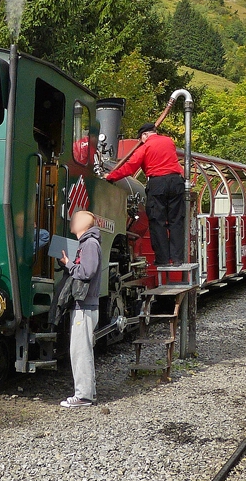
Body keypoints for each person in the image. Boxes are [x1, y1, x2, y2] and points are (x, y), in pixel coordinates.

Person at [105, 123, 186, 267]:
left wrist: (110, 176)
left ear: (144, 135)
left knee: (157, 221)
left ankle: (163, 259)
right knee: (176, 221)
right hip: (176, 182)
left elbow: (130, 168)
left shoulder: (144, 147)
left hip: (157, 184)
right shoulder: (169, 141)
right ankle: (178, 259)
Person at [59, 209, 102, 407]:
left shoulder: (90, 244)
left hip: (84, 305)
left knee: (80, 351)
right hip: (84, 305)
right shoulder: (87, 243)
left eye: (76, 219)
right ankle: (87, 393)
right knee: (81, 350)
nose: (72, 222)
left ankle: (83, 396)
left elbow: (87, 271)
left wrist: (69, 264)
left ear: (85, 224)